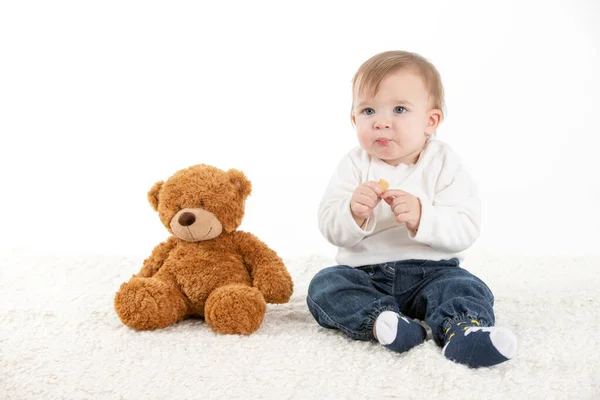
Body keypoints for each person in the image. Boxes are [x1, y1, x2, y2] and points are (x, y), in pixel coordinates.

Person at [307, 50, 517, 368]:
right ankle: (385, 323)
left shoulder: (444, 162)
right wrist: (353, 212)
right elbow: (328, 223)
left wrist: (423, 216)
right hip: (367, 274)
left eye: (400, 109)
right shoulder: (354, 165)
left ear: (430, 121)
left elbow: (466, 226)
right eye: (367, 110)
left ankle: (463, 331)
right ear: (353, 119)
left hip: (432, 272)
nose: (380, 122)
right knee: (325, 285)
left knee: (465, 286)